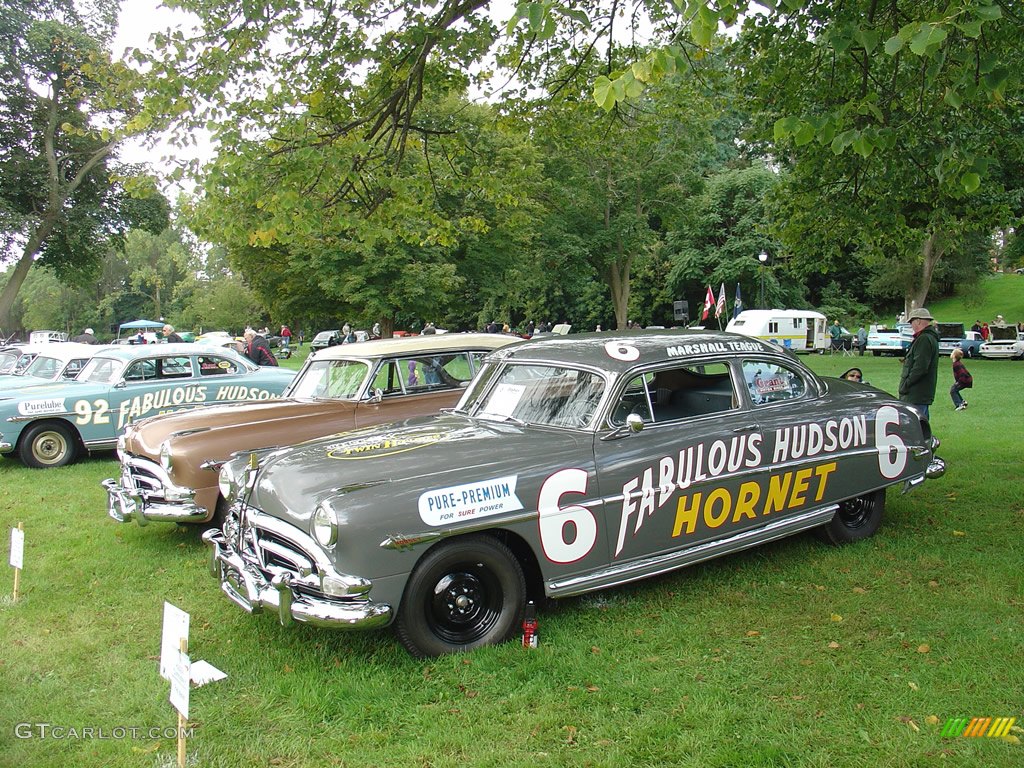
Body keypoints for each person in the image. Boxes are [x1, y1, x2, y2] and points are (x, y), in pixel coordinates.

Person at [898, 307, 939, 419]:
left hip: (916, 393)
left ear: (918, 321)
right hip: (920, 393)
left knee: (915, 427)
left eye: (911, 322)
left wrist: (906, 385)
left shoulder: (924, 339)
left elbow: (920, 367)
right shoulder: (928, 338)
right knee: (921, 425)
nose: (911, 325)